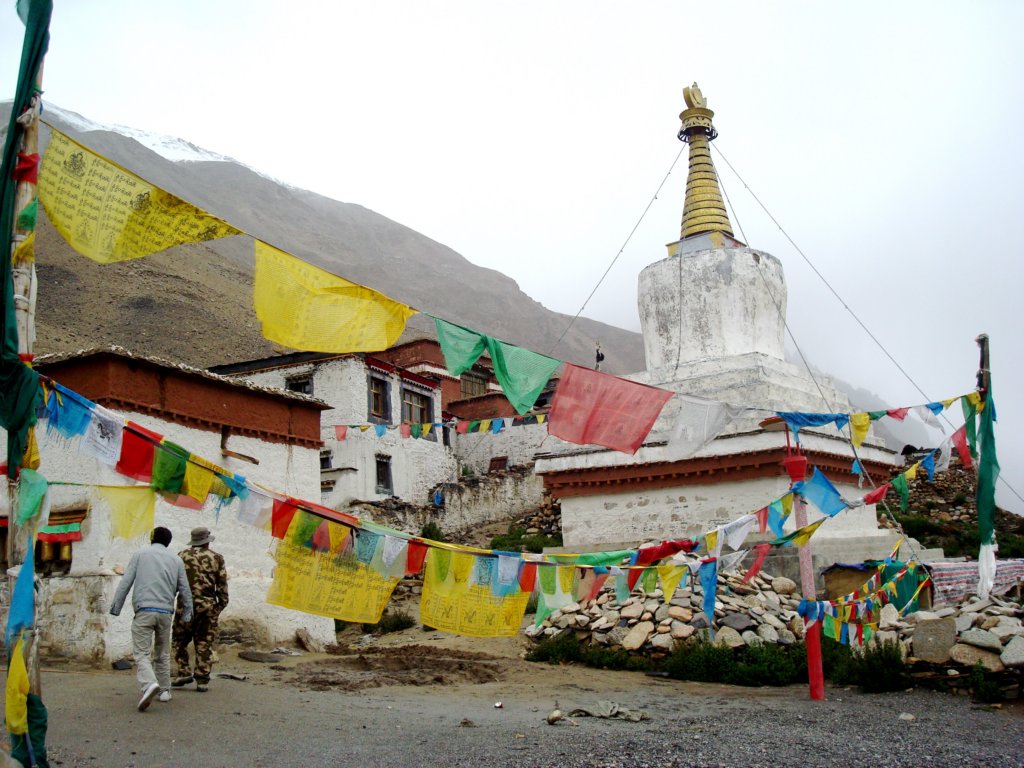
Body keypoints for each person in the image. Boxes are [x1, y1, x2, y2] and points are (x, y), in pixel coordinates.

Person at [109, 526, 193, 712]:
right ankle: (164, 691)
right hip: (165, 613)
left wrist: (116, 607)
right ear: (168, 542)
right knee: (162, 653)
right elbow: (185, 589)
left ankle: (149, 684)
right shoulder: (177, 560)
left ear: (152, 538)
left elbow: (126, 582)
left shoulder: (140, 554)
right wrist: (187, 613)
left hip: (144, 611)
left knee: (141, 653)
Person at [172, 527, 229, 693]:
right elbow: (222, 585)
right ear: (207, 541)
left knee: (179, 640)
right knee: (204, 642)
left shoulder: (181, 556)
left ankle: (183, 671)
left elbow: (174, 582)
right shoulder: (217, 558)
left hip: (184, 606)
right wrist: (219, 606)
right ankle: (202, 679)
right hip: (207, 607)